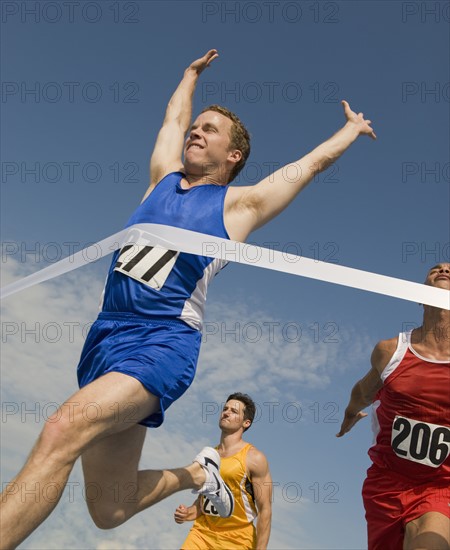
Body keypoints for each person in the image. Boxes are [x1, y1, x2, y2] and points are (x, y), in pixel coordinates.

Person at [0, 48, 376, 549]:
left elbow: (307, 166)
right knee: (109, 509)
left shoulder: (238, 207)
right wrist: (188, 77)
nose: (195, 132)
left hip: (162, 343)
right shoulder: (160, 180)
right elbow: (173, 118)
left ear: (233, 156)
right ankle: (196, 475)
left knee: (61, 429)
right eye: (195, 128)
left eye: (210, 130)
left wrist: (350, 131)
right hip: (104, 340)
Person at [337, 263, 450, 550]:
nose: (444, 269)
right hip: (385, 485)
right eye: (436, 268)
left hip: (440, 485)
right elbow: (363, 391)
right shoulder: (391, 351)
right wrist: (350, 414)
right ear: (419, 295)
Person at [174, 393, 272, 550]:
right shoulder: (209, 455)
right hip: (202, 533)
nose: (226, 412)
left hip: (237, 540)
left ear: (246, 423)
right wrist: (189, 513)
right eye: (225, 409)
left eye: (234, 411)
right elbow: (206, 498)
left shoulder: (255, 458)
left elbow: (265, 510)